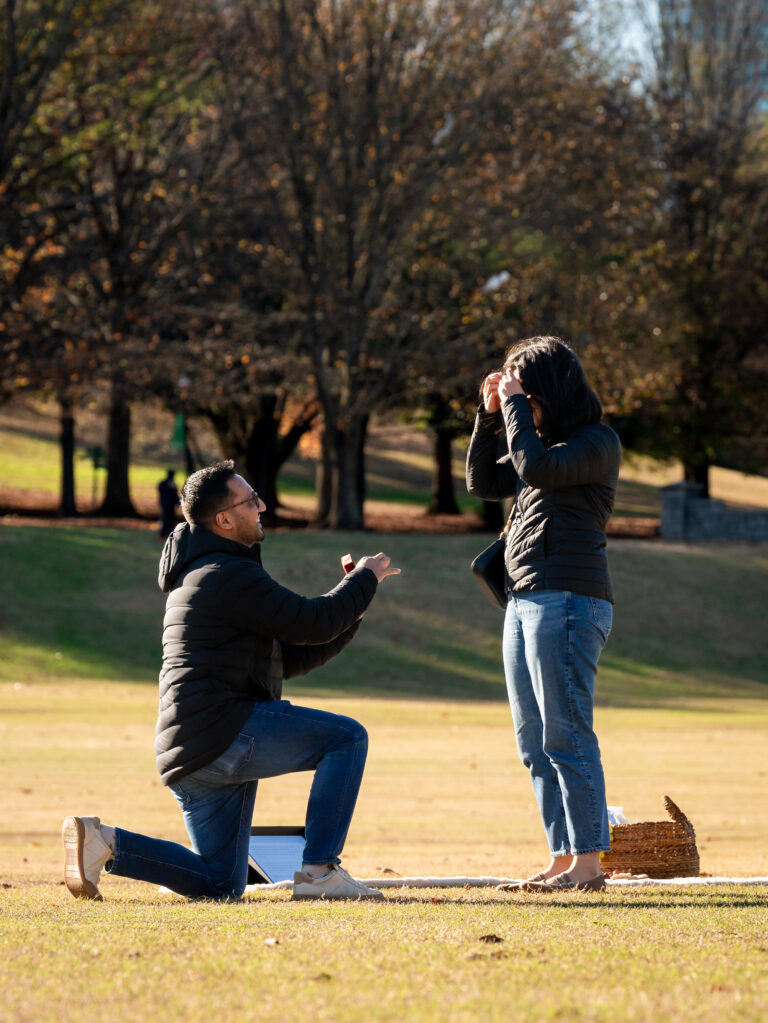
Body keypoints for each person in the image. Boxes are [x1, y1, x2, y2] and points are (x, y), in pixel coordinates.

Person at [63, 460, 400, 902]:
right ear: (223, 519)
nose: (261, 505)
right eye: (249, 500)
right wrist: (363, 581)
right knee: (347, 739)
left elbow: (291, 657)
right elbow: (315, 622)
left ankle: (106, 842)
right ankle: (321, 872)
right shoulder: (227, 575)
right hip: (222, 733)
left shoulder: (204, 573)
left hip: (192, 751)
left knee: (221, 884)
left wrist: (353, 605)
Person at [466, 336, 621, 892]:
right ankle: (563, 856)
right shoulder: (537, 440)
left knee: (566, 733)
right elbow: (484, 483)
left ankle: (587, 863)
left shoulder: (594, 443)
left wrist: (511, 408)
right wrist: (490, 418)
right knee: (534, 742)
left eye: (522, 389)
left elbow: (533, 466)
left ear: (547, 391)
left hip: (570, 600)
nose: (515, 400)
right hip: (524, 599)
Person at [157, 469, 179, 539]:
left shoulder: (173, 484)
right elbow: (161, 492)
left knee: (171, 519)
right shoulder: (164, 483)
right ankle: (162, 534)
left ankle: (169, 534)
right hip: (165, 505)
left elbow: (175, 495)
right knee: (165, 519)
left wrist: (177, 502)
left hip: (171, 505)